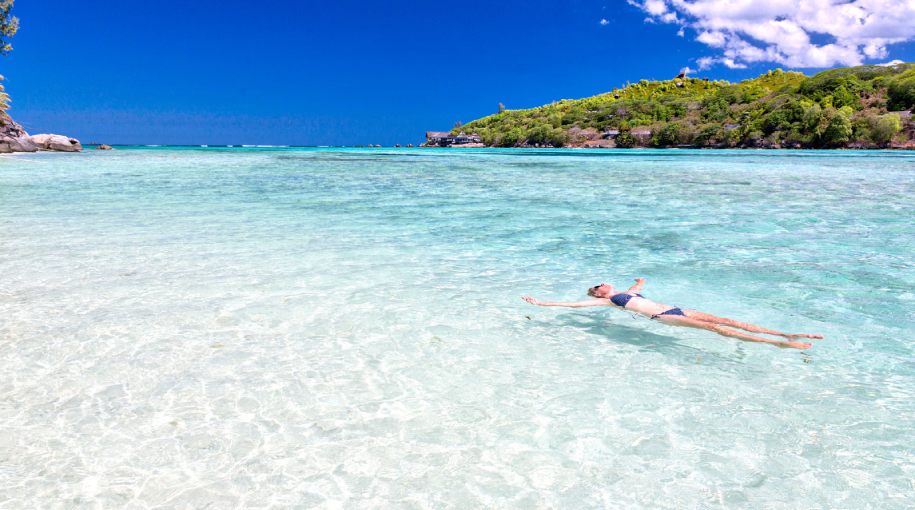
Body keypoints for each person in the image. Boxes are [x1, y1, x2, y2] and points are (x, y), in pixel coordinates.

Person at [522, 278, 822, 349]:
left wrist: (639, 279)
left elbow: (638, 284)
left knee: (726, 320)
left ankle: (785, 333)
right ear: (598, 293)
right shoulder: (608, 302)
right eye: (600, 285)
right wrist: (542, 304)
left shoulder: (628, 292)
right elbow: (573, 305)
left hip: (674, 307)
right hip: (664, 317)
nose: (605, 283)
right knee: (718, 330)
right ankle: (782, 344)